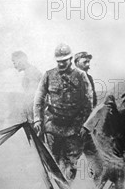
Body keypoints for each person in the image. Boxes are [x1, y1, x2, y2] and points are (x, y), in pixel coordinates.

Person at [33, 43, 93, 180]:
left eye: (64, 61)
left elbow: (89, 102)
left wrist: (84, 125)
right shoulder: (48, 75)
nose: (61, 64)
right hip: (53, 125)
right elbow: (38, 98)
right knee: (52, 160)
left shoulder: (81, 76)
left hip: (73, 128)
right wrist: (37, 119)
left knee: (72, 163)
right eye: (58, 62)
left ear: (70, 59)